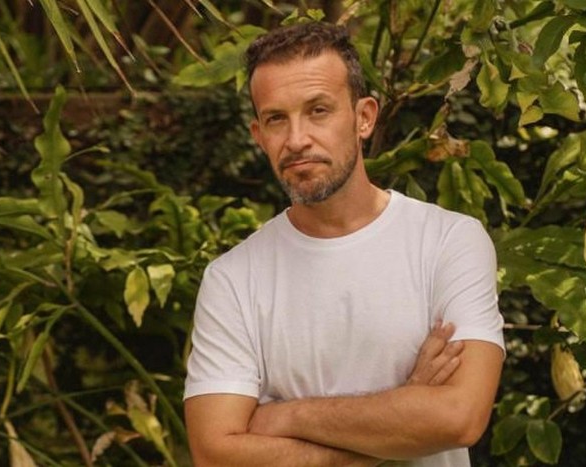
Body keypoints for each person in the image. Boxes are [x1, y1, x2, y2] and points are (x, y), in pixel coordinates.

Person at [184, 21, 505, 466]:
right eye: (277, 119)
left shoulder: (448, 241)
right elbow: (215, 454)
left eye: (318, 110)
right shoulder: (232, 279)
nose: (297, 140)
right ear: (259, 136)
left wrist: (283, 416)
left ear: (364, 117)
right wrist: (404, 412)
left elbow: (459, 417)